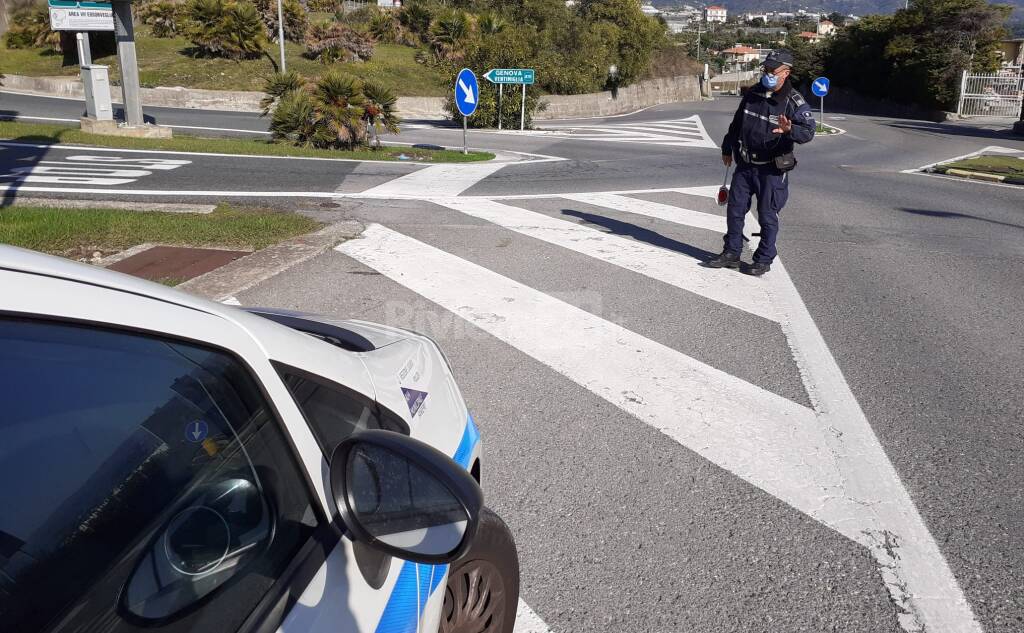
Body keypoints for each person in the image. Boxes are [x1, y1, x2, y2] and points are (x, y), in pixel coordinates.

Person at [706, 50, 815, 276]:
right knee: (735, 211)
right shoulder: (754, 93)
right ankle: (731, 253)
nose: (767, 74)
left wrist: (790, 129)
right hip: (745, 165)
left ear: (786, 72)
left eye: (772, 71)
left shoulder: (793, 102)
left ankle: (763, 259)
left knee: (767, 214)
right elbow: (737, 123)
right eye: (765, 69)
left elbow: (808, 133)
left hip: (772, 170)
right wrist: (727, 147)